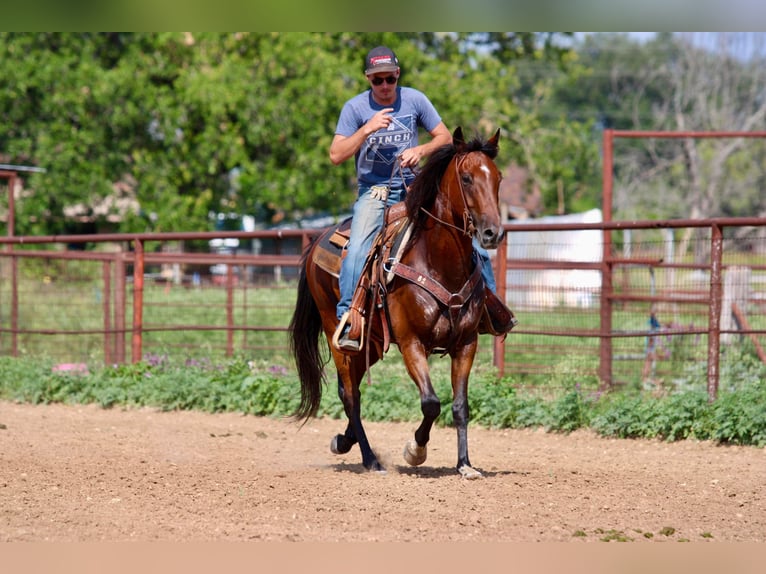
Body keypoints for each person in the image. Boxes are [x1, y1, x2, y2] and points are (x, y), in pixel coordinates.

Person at [330, 45, 515, 353]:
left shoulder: (414, 100)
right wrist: (366, 129)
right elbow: (336, 155)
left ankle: (489, 310)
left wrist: (420, 150)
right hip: (375, 191)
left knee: (467, 240)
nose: (385, 86)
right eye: (378, 80)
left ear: (397, 74)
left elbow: (443, 136)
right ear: (368, 79)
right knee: (360, 247)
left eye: (390, 79)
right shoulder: (355, 108)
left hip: (415, 187)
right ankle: (350, 318)